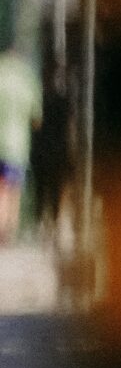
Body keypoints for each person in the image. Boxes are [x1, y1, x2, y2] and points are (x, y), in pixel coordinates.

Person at [0, 46, 36, 244]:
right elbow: (36, 117)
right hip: (16, 145)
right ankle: (7, 231)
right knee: (12, 190)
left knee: (2, 189)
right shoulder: (26, 79)